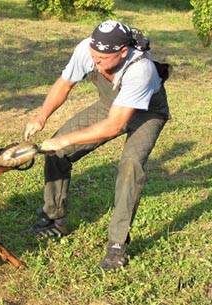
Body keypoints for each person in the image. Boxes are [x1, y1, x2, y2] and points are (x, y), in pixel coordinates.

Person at [22, 20, 170, 271]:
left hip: (147, 114)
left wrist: (65, 139)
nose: (96, 61)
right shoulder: (86, 49)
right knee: (57, 152)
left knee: (130, 166)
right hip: (112, 104)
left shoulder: (140, 69)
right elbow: (64, 83)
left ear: (123, 52)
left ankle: (117, 245)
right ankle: (54, 220)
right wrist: (41, 117)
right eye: (93, 55)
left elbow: (114, 125)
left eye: (102, 57)